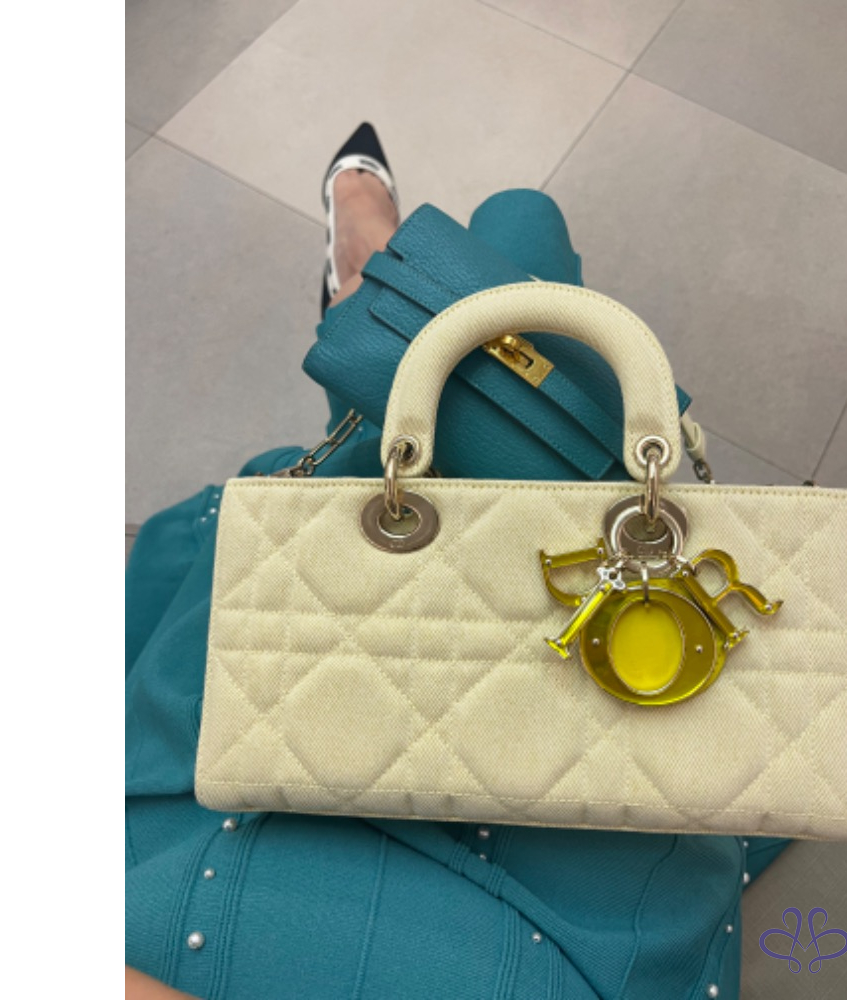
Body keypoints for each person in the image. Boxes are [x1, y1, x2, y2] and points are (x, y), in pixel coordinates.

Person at [125, 124, 786, 999]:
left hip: (214, 841)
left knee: (419, 431)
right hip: (569, 923)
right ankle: (374, 291)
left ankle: (374, 304)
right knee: (523, 236)